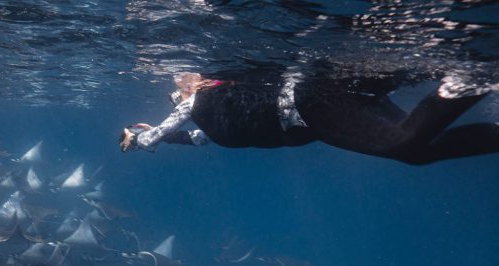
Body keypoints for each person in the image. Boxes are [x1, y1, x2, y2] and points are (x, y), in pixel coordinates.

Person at [120, 70, 499, 165]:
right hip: (316, 112)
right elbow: (198, 137)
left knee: (402, 142)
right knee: (415, 152)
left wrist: (138, 138)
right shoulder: (212, 117)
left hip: (312, 104)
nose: (180, 98)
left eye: (179, 93)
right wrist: (160, 134)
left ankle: (470, 77)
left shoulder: (194, 103)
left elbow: (158, 136)